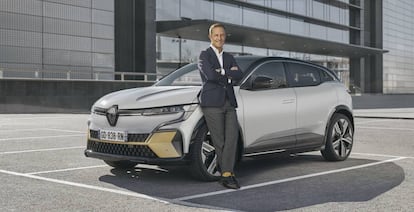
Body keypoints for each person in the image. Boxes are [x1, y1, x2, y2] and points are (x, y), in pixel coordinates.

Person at [198, 23, 243, 189]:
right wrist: (227, 73)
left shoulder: (230, 56)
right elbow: (209, 75)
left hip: (229, 101)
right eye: (216, 35)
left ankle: (225, 170)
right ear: (210, 37)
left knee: (232, 137)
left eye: (222, 35)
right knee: (220, 140)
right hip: (212, 103)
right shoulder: (204, 55)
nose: (219, 38)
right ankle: (227, 174)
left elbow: (239, 74)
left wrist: (221, 72)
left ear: (225, 37)